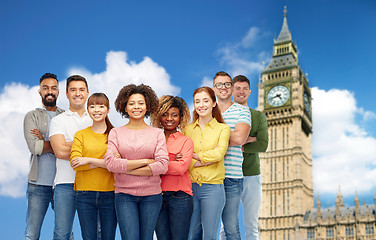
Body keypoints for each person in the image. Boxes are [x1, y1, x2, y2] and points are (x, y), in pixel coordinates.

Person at [104, 84, 169, 240]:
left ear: (147, 106)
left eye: (140, 103)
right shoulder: (116, 132)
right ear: (125, 108)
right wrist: (146, 161)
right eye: (131, 103)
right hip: (124, 195)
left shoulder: (157, 133)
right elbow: (110, 163)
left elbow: (162, 165)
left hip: (152, 196)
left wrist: (125, 167)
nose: (136, 107)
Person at [183, 86, 231, 240]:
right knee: (190, 236)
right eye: (197, 101)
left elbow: (219, 154)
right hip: (189, 188)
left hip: (213, 189)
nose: (201, 105)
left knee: (209, 236)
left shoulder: (223, 129)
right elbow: (181, 157)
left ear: (214, 103)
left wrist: (194, 156)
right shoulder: (186, 130)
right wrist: (204, 160)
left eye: (205, 101)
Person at [50, 75, 92, 240]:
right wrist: (89, 148)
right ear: (66, 94)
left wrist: (71, 144)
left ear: (88, 93)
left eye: (81, 89)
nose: (77, 93)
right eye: (73, 90)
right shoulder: (58, 121)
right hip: (64, 184)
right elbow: (59, 151)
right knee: (62, 234)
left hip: (92, 184)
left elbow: (105, 151)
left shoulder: (96, 119)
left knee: (94, 234)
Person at [70, 93, 117, 240]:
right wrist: (105, 163)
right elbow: (76, 164)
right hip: (84, 193)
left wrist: (88, 160)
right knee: (88, 237)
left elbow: (116, 165)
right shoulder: (81, 135)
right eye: (92, 106)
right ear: (88, 110)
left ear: (108, 110)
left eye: (101, 106)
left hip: (111, 193)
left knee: (108, 237)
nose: (97, 110)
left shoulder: (115, 134)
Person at [23, 73, 64, 240]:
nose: (50, 91)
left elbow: (73, 147)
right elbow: (35, 147)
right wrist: (58, 145)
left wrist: (44, 140)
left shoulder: (66, 116)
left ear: (58, 92)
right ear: (39, 91)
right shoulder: (31, 116)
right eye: (45, 88)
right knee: (32, 235)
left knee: (65, 234)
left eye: (53, 88)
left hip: (62, 185)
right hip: (37, 185)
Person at [212, 71, 251, 240]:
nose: (223, 88)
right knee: (203, 226)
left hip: (232, 177)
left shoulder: (242, 111)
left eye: (227, 84)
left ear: (232, 88)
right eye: (219, 84)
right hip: (209, 176)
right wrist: (229, 134)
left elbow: (240, 138)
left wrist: (212, 136)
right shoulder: (207, 110)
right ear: (214, 88)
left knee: (231, 227)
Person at [152, 95, 194, 240]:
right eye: (165, 114)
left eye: (174, 115)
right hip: (156, 196)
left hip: (180, 197)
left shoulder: (186, 141)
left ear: (180, 117)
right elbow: (145, 166)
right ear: (159, 116)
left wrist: (157, 163)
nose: (169, 118)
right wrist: (171, 160)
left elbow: (181, 168)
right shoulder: (152, 140)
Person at [232, 75, 268, 240]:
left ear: (250, 92)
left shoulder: (258, 116)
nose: (241, 92)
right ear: (232, 90)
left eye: (245, 88)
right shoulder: (223, 114)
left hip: (252, 175)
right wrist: (249, 139)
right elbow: (218, 143)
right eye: (237, 88)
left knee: (252, 225)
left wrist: (238, 141)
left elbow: (262, 145)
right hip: (228, 175)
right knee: (228, 224)